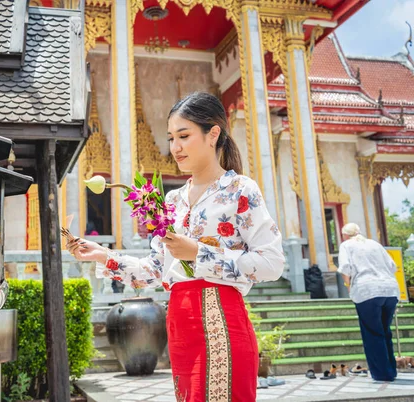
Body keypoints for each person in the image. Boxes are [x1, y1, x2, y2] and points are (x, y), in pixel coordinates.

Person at [67, 92, 285, 401]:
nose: (175, 147)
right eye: (171, 138)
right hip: (181, 328)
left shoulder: (240, 190)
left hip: (221, 322)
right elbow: (155, 271)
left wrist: (199, 253)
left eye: (184, 135)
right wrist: (105, 256)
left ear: (213, 134)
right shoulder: (172, 202)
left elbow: (273, 263)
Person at [338, 222, 400, 382]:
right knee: (385, 331)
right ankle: (391, 370)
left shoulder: (346, 245)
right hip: (390, 289)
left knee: (372, 333)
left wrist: (348, 287)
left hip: (367, 290)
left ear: (344, 235)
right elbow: (392, 266)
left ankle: (382, 374)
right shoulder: (375, 244)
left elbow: (346, 268)